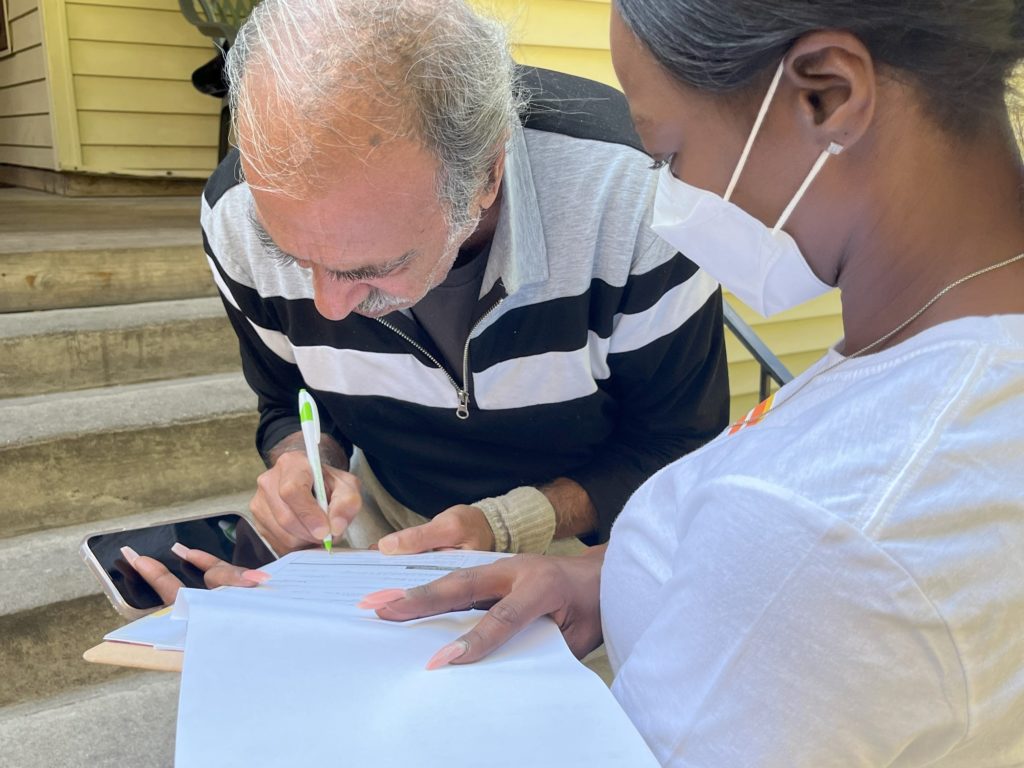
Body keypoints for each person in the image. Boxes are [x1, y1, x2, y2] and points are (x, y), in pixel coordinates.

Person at [359, 1, 1024, 765]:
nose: (668, 204)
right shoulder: (945, 346)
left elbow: (808, 570)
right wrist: (612, 575)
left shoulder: (832, 525)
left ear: (828, 94)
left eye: (669, 156)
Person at [199, 0, 729, 559]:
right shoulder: (235, 214)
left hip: (583, 544)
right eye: (294, 258)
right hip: (382, 525)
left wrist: (508, 524)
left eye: (374, 268)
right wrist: (304, 463)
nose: (327, 308)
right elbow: (288, 395)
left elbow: (677, 443)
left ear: (486, 173)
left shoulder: (634, 197)